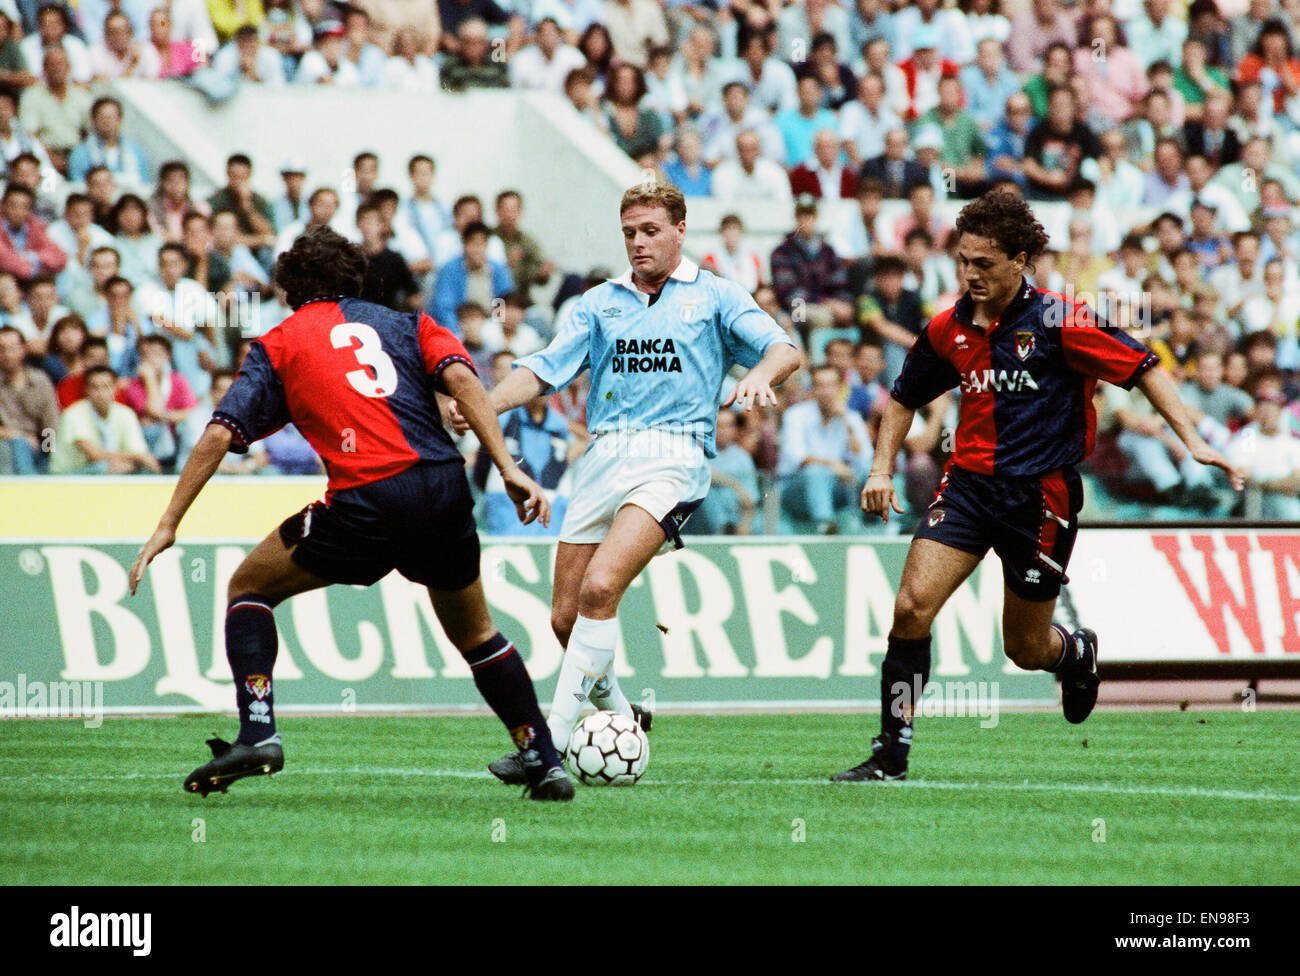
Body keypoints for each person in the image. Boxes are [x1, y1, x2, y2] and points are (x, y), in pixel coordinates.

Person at [127, 226, 574, 801]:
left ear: (289, 288)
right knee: (477, 633)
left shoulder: (280, 343)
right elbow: (463, 378)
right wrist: (507, 466)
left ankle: (258, 731)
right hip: (442, 488)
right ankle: (543, 758)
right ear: (353, 278)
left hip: (370, 498)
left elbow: (220, 433)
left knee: (248, 588)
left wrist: (169, 523)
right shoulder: (407, 323)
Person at [831, 191, 1244, 783]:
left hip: (1042, 500)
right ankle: (890, 754)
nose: (970, 274)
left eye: (984, 263)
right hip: (968, 488)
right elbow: (902, 399)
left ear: (1020, 260)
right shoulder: (949, 327)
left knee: (1024, 650)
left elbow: (1143, 365)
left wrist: (1192, 440)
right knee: (910, 607)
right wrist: (879, 469)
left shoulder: (1057, 319)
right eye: (963, 261)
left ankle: (1075, 652)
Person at [449, 181, 800, 784]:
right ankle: (622, 720)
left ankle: (546, 747)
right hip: (602, 457)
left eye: (650, 231)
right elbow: (542, 371)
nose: (638, 243)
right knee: (565, 617)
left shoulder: (714, 295)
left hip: (673, 456)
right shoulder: (598, 303)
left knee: (600, 589)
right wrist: (485, 402)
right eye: (630, 233)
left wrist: (760, 375)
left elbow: (782, 347)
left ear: (680, 231)